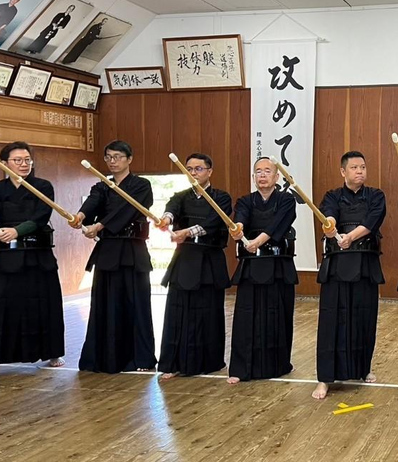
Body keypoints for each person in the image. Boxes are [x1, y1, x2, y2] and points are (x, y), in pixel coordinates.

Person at [70, 140, 157, 373]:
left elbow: (127, 210)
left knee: (136, 303)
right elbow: (92, 203)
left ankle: (140, 358)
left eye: (118, 156)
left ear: (129, 159)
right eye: (108, 156)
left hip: (132, 249)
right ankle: (103, 358)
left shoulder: (141, 185)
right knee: (105, 303)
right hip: (108, 251)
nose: (112, 161)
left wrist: (99, 225)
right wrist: (80, 216)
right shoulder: (102, 187)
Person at [312, 151, 386, 400]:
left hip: (364, 261)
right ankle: (324, 378)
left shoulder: (376, 195)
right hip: (337, 264)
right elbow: (329, 214)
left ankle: (362, 368)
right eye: (354, 167)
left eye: (363, 167)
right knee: (332, 318)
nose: (360, 171)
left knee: (364, 316)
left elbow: (372, 221)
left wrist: (351, 237)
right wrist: (331, 226)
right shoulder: (332, 196)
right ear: (343, 172)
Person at [0, 141, 64, 367]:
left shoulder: (43, 186)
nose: (23, 164)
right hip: (7, 257)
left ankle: (52, 353)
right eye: (17, 160)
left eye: (27, 160)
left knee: (44, 304)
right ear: (4, 163)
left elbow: (41, 216)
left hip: (38, 255)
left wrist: (17, 231)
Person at [157, 153, 231, 380]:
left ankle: (209, 361)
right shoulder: (180, 196)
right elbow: (171, 210)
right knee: (178, 311)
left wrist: (187, 232)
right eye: (189, 169)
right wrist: (166, 220)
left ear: (209, 171)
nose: (194, 173)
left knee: (208, 311)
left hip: (209, 258)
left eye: (199, 169)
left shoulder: (222, 197)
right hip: (185, 258)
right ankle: (174, 362)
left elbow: (214, 221)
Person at [227, 157, 297, 384]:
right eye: (258, 171)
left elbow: (277, 224)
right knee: (247, 315)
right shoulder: (245, 201)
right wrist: (237, 229)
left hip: (277, 264)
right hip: (251, 265)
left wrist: (258, 240)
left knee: (277, 315)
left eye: (267, 171)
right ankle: (241, 368)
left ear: (277, 177)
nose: (262, 175)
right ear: (253, 177)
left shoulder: (286, 200)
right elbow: (241, 220)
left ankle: (277, 365)